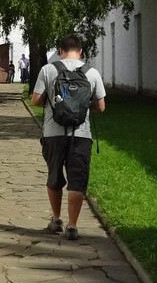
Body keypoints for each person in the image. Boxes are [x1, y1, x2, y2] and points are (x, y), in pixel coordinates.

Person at [31, 33, 106, 240]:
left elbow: (36, 100)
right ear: (80, 51)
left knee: (54, 176)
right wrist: (82, 105)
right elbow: (101, 106)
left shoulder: (48, 69)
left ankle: (56, 219)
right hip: (81, 134)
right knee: (77, 179)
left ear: (60, 50)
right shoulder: (92, 73)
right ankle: (72, 225)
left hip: (53, 133)